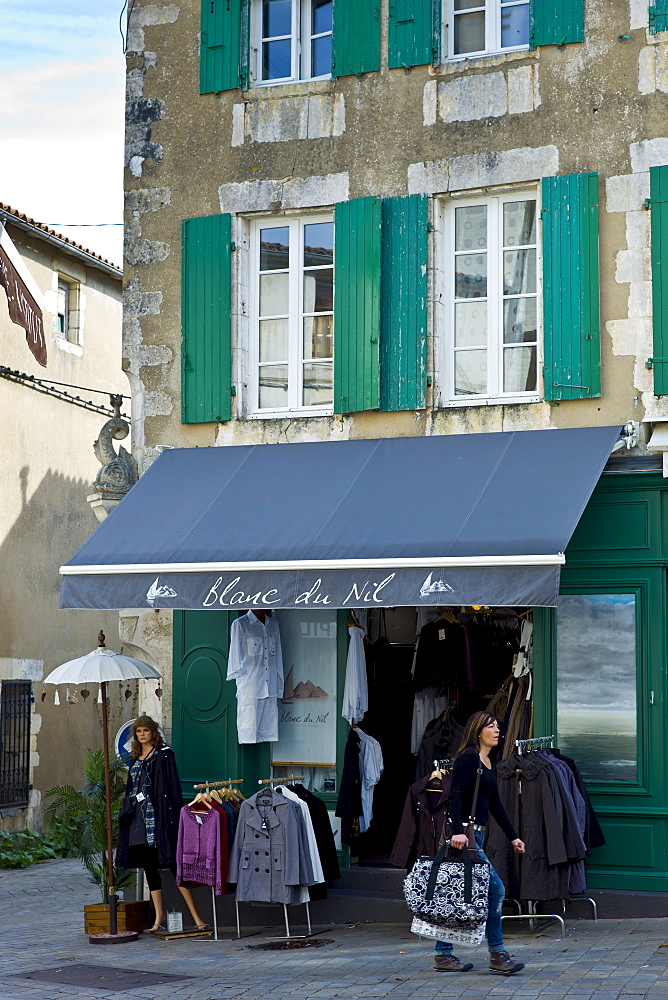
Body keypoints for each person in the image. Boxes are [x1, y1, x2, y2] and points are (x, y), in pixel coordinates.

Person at [432, 711, 526, 976]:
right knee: (496, 890)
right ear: (477, 731)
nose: (497, 731)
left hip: (477, 836)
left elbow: (495, 803)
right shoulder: (468, 759)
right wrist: (456, 831)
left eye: (498, 727)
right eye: (491, 727)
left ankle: (442, 954)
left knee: (458, 894)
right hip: (466, 838)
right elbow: (454, 795)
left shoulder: (488, 761)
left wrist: (513, 836)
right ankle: (497, 954)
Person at [116, 716, 209, 933]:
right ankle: (158, 917)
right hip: (137, 822)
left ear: (153, 732)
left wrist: (173, 819)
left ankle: (197, 917)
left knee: (174, 866)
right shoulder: (133, 758)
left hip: (159, 820)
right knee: (150, 868)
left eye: (145, 730)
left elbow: (172, 788)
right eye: (138, 731)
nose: (142, 734)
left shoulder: (164, 755)